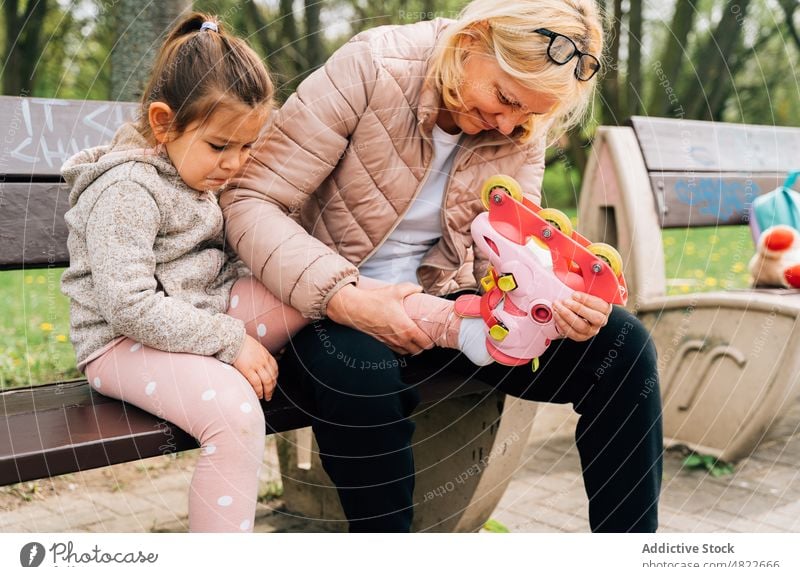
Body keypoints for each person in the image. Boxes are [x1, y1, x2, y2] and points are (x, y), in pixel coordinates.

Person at [222, 0, 663, 533]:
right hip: (318, 307)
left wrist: (557, 302)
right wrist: (347, 298)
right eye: (503, 98)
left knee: (621, 347)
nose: (509, 123)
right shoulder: (373, 67)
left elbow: (500, 263)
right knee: (360, 372)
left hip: (445, 313)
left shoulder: (521, 125)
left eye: (529, 113)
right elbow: (248, 201)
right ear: (473, 40)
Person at [60, 12, 302, 533]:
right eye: (221, 146)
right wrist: (230, 342)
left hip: (195, 317)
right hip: (121, 343)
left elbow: (224, 265)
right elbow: (128, 306)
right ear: (164, 121)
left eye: (246, 147)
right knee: (235, 416)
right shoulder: (126, 191)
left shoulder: (197, 176)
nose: (235, 163)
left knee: (302, 288)